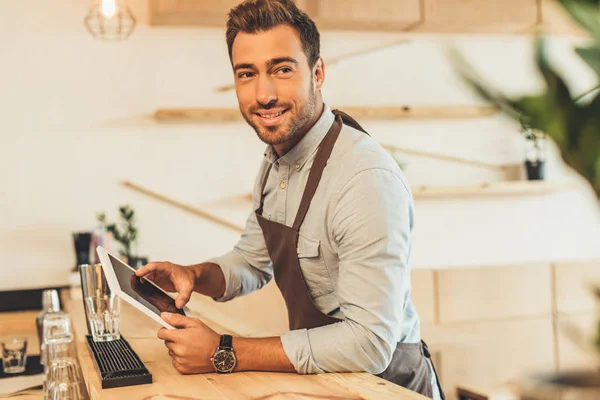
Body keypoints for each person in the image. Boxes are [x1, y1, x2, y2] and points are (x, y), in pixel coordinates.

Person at [135, 0, 444, 398]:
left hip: (387, 388)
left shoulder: (364, 178)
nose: (263, 95)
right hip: (328, 385)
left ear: (317, 73)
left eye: (282, 69)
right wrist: (193, 276)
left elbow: (370, 343)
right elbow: (251, 261)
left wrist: (224, 352)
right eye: (247, 74)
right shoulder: (276, 161)